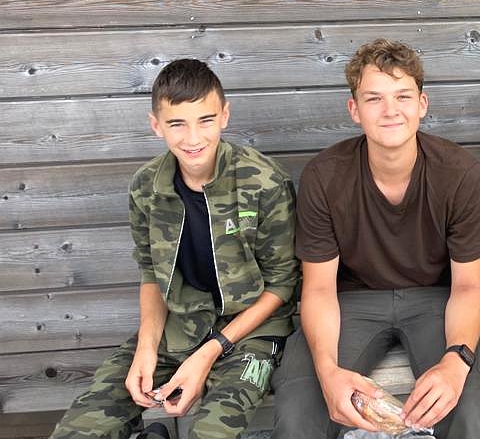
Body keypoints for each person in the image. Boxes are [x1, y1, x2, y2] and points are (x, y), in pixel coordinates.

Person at [51, 59, 299, 439]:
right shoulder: (146, 187)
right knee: (80, 428)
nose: (193, 138)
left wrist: (209, 353)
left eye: (205, 120)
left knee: (212, 432)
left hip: (254, 332)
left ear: (225, 116)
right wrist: (146, 347)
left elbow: (282, 284)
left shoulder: (264, 183)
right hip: (180, 323)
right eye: (177, 123)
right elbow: (151, 273)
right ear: (156, 125)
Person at [271, 39, 480, 438]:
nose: (390, 110)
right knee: (299, 410)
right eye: (374, 98)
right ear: (354, 109)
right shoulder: (325, 176)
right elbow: (318, 288)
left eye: (402, 96)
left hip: (436, 300)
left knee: (466, 411)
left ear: (422, 104)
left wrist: (456, 360)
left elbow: (469, 285)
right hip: (350, 302)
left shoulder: (459, 173)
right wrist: (328, 371)